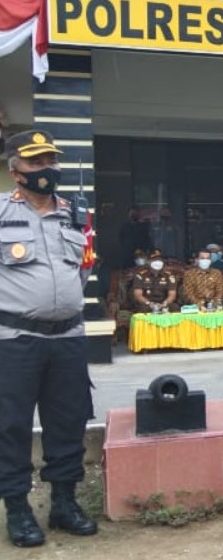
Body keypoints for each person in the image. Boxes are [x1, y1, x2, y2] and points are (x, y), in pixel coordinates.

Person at [0, 130, 98, 547]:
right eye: (36, 162)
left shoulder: (75, 214)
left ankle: (64, 502)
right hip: (15, 339)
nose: (46, 169)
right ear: (14, 169)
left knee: (68, 421)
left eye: (51, 161)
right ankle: (18, 509)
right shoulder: (1, 213)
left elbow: (84, 270)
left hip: (69, 338)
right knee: (11, 426)